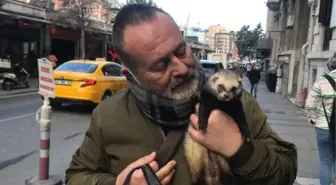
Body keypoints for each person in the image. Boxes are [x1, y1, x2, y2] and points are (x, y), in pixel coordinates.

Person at [65, 4, 297, 185]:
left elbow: (285, 169)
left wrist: (240, 151)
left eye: (181, 50)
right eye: (161, 65)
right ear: (131, 76)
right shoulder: (108, 116)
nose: (182, 68)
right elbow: (76, 176)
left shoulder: (235, 100)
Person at [305, 55, 336, 185]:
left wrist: (313, 120)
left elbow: (310, 104)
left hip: (324, 127)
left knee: (326, 162)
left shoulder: (322, 81)